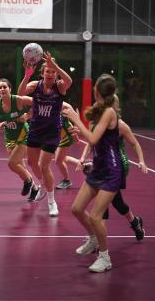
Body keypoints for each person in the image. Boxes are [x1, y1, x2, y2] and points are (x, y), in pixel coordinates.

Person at [63, 73, 122, 273]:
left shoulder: (109, 112)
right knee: (77, 209)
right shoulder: (101, 111)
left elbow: (94, 139)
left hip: (112, 171)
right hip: (99, 168)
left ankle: (105, 258)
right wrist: (78, 131)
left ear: (96, 91)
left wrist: (74, 117)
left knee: (96, 217)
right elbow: (92, 138)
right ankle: (94, 238)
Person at [18, 51, 72, 216]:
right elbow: (20, 94)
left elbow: (69, 80)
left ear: (56, 73)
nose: (50, 73)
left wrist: (55, 65)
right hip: (35, 129)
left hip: (52, 131)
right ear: (42, 73)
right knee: (32, 163)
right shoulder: (35, 85)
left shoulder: (60, 86)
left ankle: (51, 201)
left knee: (44, 165)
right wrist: (27, 76)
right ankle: (41, 184)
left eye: (53, 71)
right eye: (47, 71)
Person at [0, 78, 39, 200]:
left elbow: (38, 103)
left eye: (4, 87)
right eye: (0, 87)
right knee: (19, 166)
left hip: (23, 133)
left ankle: (28, 181)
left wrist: (27, 116)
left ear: (10, 89)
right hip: (9, 136)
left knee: (12, 164)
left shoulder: (17, 100)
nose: (2, 89)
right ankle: (34, 188)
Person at [55, 107, 79, 189]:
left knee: (58, 161)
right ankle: (86, 166)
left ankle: (67, 180)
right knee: (63, 158)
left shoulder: (62, 117)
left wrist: (76, 138)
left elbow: (70, 127)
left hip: (66, 139)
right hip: (61, 138)